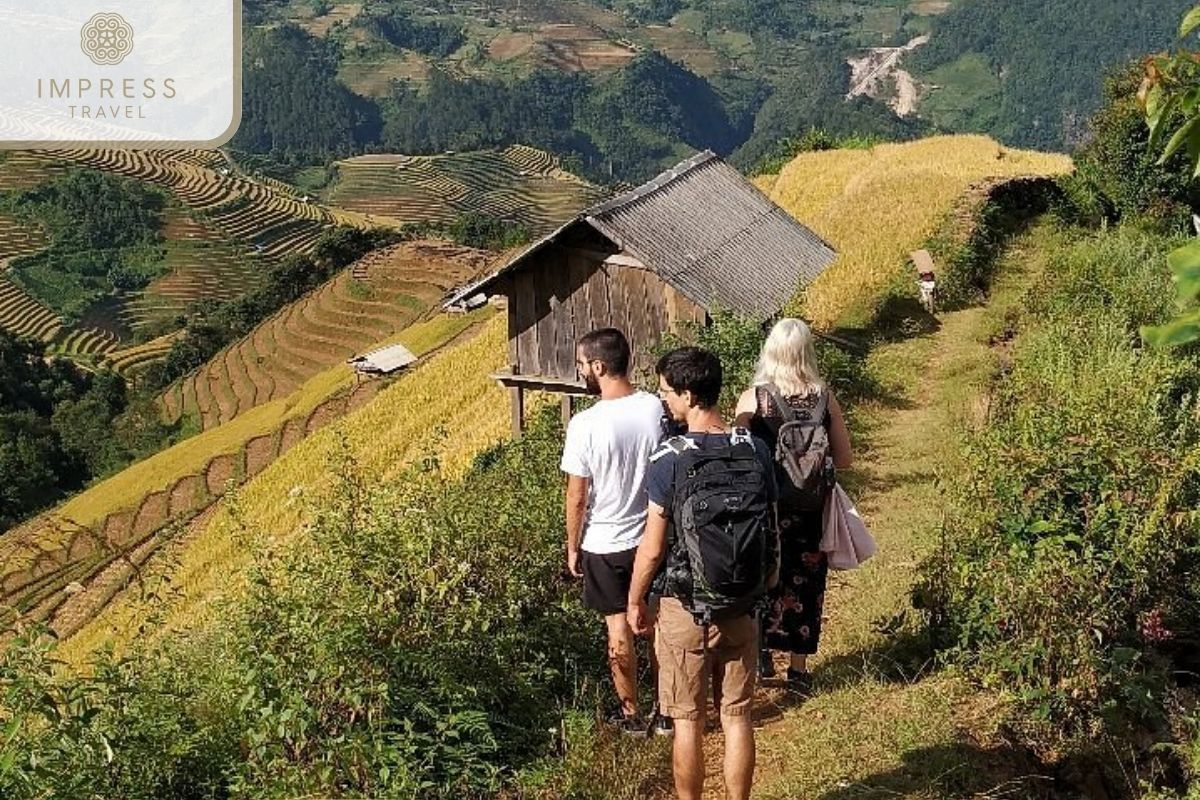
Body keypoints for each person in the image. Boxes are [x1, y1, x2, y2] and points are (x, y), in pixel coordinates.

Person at [627, 347, 779, 800]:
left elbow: (653, 548)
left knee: (688, 722)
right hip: (741, 603)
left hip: (685, 607)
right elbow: (771, 529)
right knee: (737, 716)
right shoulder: (755, 450)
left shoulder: (669, 458)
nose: (664, 402)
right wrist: (765, 587)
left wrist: (636, 600)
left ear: (689, 395)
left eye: (667, 393)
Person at [734, 318, 853, 694]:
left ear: (770, 351)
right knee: (807, 581)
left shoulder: (756, 397)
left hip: (767, 507)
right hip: (810, 509)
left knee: (763, 577)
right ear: (806, 352)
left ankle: (763, 651)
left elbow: (736, 456)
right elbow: (846, 458)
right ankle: (798, 670)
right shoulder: (824, 396)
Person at [560, 328, 669, 735]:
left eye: (583, 364)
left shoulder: (584, 424)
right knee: (657, 624)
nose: (581, 370)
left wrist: (572, 547)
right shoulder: (656, 409)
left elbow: (577, 496)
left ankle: (631, 716)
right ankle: (668, 711)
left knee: (617, 628)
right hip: (653, 537)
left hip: (604, 543)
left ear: (599, 366)